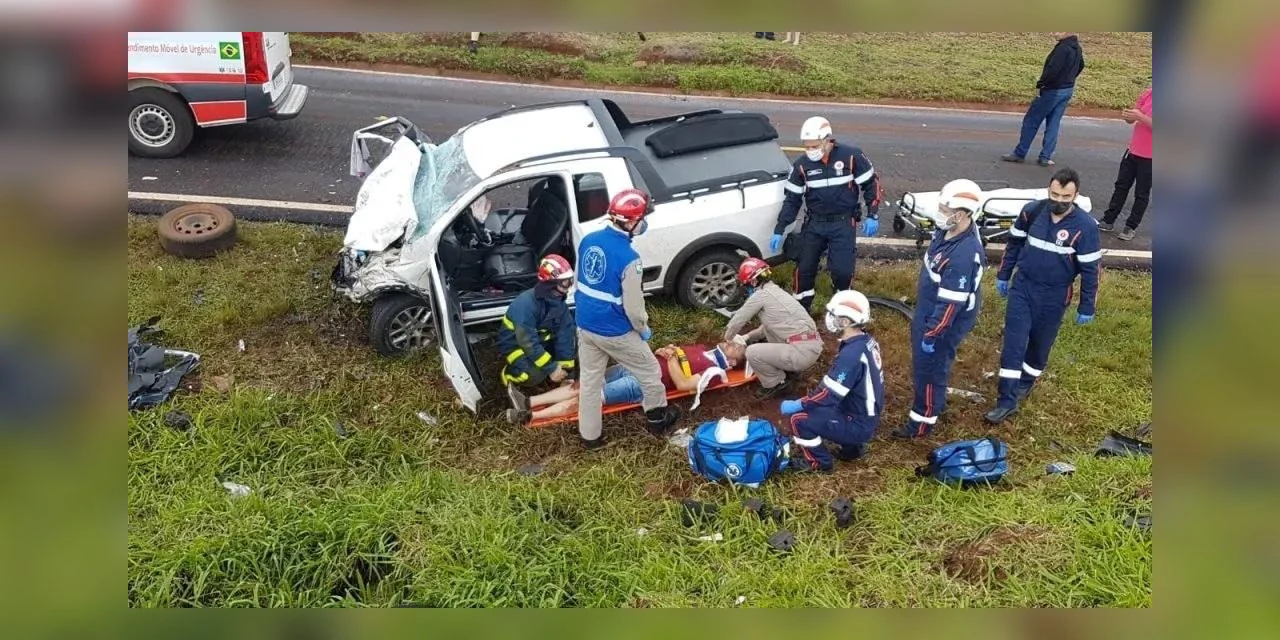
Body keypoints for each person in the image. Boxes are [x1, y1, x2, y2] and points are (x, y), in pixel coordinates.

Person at [985, 168, 1101, 424]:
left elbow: (1091, 270)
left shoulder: (1085, 228)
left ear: (1076, 195)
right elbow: (1014, 244)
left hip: (1055, 295)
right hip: (1023, 288)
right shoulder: (1032, 212)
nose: (1058, 201)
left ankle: (1026, 382)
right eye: (1054, 194)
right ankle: (1006, 401)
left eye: (1065, 197)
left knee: (1039, 347)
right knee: (1014, 345)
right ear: (1048, 189)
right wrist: (1004, 275)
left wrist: (1087, 305)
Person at [574, 188, 681, 449]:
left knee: (590, 380)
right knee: (650, 370)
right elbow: (634, 308)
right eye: (642, 217)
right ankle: (658, 418)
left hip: (585, 323)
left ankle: (590, 437)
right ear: (632, 221)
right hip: (614, 330)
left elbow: (582, 280)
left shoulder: (589, 240)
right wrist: (642, 328)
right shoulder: (630, 259)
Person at [892, 180, 987, 439]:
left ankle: (922, 421)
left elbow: (949, 306)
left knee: (930, 369)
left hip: (944, 319)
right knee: (929, 366)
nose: (940, 213)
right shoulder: (947, 231)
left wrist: (932, 334)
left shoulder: (962, 256)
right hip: (930, 309)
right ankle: (935, 401)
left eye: (946, 209)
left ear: (963, 213)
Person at [770, 116, 881, 312]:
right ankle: (802, 310)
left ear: (827, 140)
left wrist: (872, 214)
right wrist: (780, 228)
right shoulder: (802, 166)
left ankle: (841, 308)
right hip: (814, 224)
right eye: (806, 146)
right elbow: (792, 200)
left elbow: (871, 185)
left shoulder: (852, 156)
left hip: (843, 223)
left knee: (842, 271)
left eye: (814, 145)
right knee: (804, 269)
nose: (810, 150)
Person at [506, 341, 747, 425]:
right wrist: (666, 351)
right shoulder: (703, 350)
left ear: (734, 361)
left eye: (736, 346)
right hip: (638, 365)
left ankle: (529, 417)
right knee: (583, 384)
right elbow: (677, 356)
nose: (730, 342)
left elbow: (683, 384)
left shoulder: (716, 372)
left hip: (644, 383)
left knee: (587, 398)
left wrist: (671, 360)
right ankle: (527, 401)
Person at [779, 289, 885, 473]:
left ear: (845, 321)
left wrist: (799, 404)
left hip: (858, 422)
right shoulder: (865, 341)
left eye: (833, 314)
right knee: (826, 408)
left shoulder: (851, 356)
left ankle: (819, 463)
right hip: (865, 414)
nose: (829, 318)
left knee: (799, 420)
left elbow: (827, 395)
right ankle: (853, 449)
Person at [722, 257, 822, 398]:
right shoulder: (776, 293)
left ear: (753, 281)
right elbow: (767, 328)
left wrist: (727, 339)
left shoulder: (760, 296)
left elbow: (737, 321)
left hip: (800, 353)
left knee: (752, 352)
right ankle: (791, 371)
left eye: (746, 285)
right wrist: (747, 337)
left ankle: (776, 383)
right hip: (811, 347)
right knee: (767, 335)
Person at [497, 254, 577, 400]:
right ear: (550, 283)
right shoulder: (526, 305)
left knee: (572, 349)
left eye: (570, 281)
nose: (569, 287)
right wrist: (552, 368)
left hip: (539, 342)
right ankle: (509, 374)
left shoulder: (559, 304)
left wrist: (566, 370)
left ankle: (547, 370)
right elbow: (527, 341)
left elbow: (565, 335)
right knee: (534, 375)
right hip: (516, 345)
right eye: (565, 283)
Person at [1002, 33, 1086, 167]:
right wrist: (1069, 78)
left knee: (1031, 120)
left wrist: (1042, 84)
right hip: (1067, 89)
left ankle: (1020, 153)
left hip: (1053, 91)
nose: (1055, 32)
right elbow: (1081, 65)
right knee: (1053, 123)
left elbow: (1053, 70)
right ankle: (1045, 157)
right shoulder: (1077, 47)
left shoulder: (1062, 48)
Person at [1099, 83, 1153, 241]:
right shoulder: (1148, 93)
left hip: (1151, 157)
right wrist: (1128, 117)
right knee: (1121, 186)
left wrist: (1139, 117)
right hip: (1133, 150)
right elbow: (1133, 118)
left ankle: (1131, 226)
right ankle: (1108, 219)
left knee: (1141, 193)